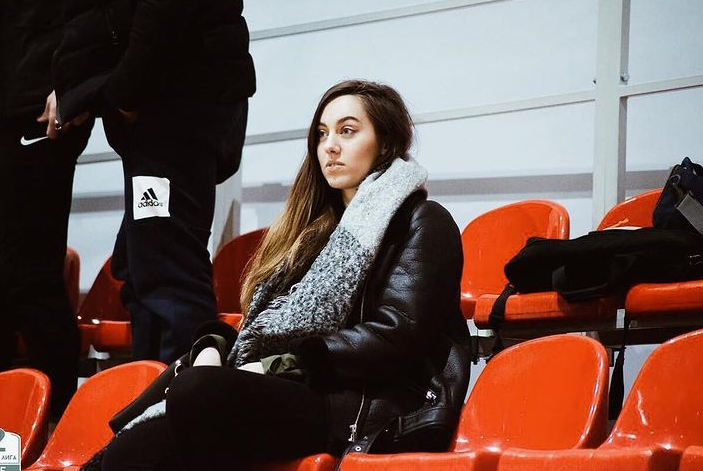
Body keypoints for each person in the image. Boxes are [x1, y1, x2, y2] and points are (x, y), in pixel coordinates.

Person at [93, 80, 470, 471]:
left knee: (196, 392)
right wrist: (213, 346)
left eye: (347, 131)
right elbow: (265, 327)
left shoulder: (423, 221)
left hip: (367, 401)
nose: (330, 146)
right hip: (300, 389)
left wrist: (284, 364)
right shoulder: (312, 234)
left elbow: (397, 334)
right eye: (322, 134)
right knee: (127, 452)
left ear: (386, 142)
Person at [50, 0, 256, 363]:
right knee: (141, 269)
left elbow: (161, 13)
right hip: (171, 99)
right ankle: (154, 389)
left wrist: (124, 92)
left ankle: (180, 395)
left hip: (171, 101)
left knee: (168, 276)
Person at [0, 0, 94, 418]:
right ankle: (10, 434)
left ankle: (56, 428)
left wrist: (72, 84)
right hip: (13, 103)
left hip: (37, 110)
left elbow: (93, 14)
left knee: (31, 276)